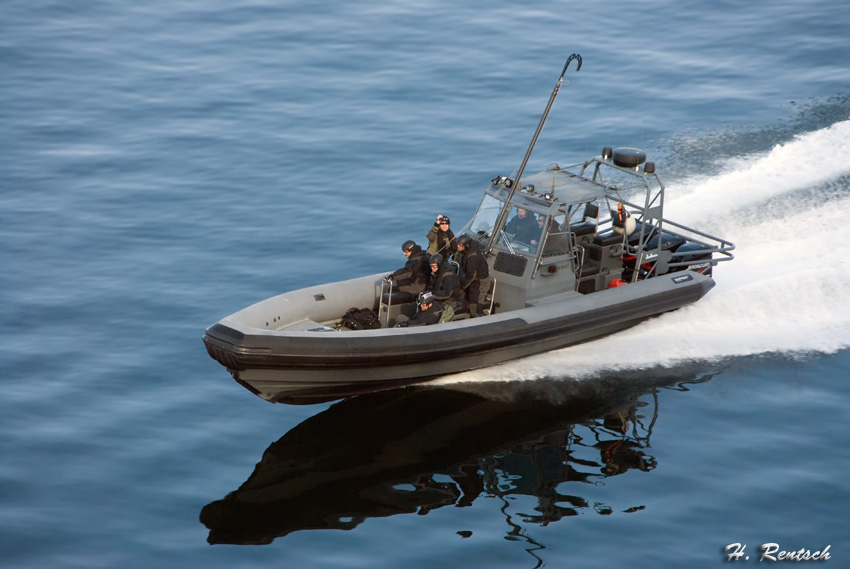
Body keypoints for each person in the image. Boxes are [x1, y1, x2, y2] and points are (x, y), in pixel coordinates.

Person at [455, 235, 490, 317]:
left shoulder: (472, 257)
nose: (458, 247)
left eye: (460, 245)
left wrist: (462, 286)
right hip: (474, 280)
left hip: (480, 282)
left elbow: (471, 275)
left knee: (475, 305)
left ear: (466, 246)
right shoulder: (467, 252)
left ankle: (479, 319)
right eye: (458, 245)